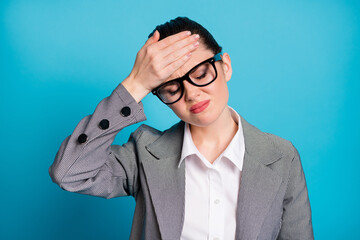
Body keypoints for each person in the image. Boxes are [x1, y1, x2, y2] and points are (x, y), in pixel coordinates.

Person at [49, 17, 314, 240]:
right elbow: (69, 173)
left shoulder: (282, 156)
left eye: (200, 74)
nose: (192, 94)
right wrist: (135, 84)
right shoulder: (144, 153)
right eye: (172, 88)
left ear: (226, 66)